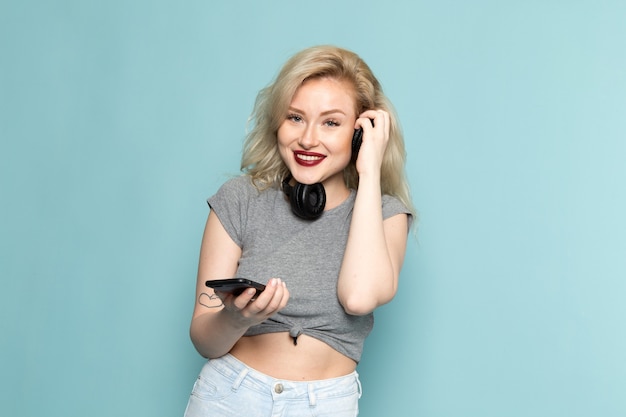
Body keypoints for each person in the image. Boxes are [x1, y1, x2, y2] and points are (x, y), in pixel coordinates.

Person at [184, 45, 415, 417]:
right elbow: (204, 341)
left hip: (324, 404)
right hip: (230, 395)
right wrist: (237, 318)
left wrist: (370, 170)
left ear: (361, 133)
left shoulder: (387, 215)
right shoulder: (239, 199)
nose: (308, 139)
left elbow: (358, 297)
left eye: (331, 123)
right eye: (295, 118)